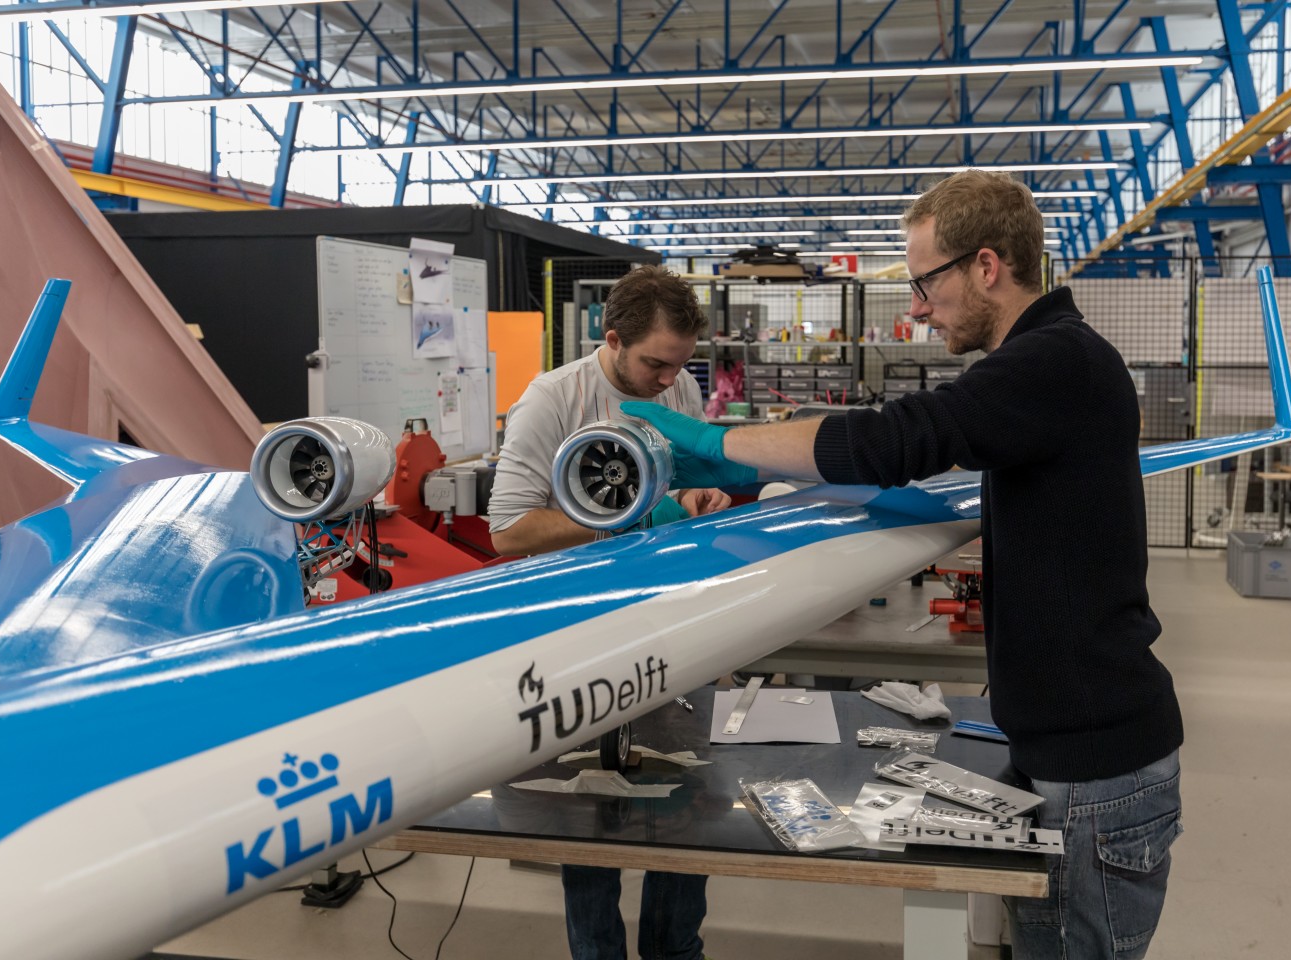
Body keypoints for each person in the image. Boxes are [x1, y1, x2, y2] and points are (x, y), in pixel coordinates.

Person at [623, 170, 1183, 960]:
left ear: (987, 266)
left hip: (1092, 774)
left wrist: (719, 444)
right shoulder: (1057, 360)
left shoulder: (1053, 363)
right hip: (1072, 750)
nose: (917, 307)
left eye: (925, 282)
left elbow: (892, 439)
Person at [488, 264, 726, 960]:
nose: (667, 382)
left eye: (679, 366)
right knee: (586, 816)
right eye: (655, 363)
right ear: (613, 338)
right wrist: (620, 516)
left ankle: (675, 951)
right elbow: (507, 531)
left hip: (667, 618)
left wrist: (698, 499)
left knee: (687, 800)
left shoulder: (678, 383)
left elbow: (687, 480)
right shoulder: (552, 400)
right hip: (580, 629)